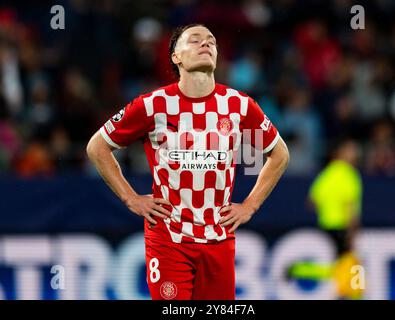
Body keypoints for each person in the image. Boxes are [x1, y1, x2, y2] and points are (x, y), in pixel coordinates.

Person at [86, 24, 289, 300]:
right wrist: (130, 198)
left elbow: (279, 155)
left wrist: (250, 205)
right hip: (169, 239)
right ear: (176, 57)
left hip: (218, 240)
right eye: (195, 40)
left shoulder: (240, 106)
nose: (206, 44)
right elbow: (97, 147)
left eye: (211, 41)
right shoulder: (152, 105)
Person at [288, 138, 363, 299]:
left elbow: (311, 202)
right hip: (342, 226)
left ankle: (299, 270)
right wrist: (353, 230)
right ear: (341, 153)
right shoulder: (349, 174)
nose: (355, 154)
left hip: (326, 225)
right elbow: (350, 206)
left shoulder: (326, 173)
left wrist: (327, 206)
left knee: (342, 264)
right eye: (351, 150)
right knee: (351, 264)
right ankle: (350, 294)